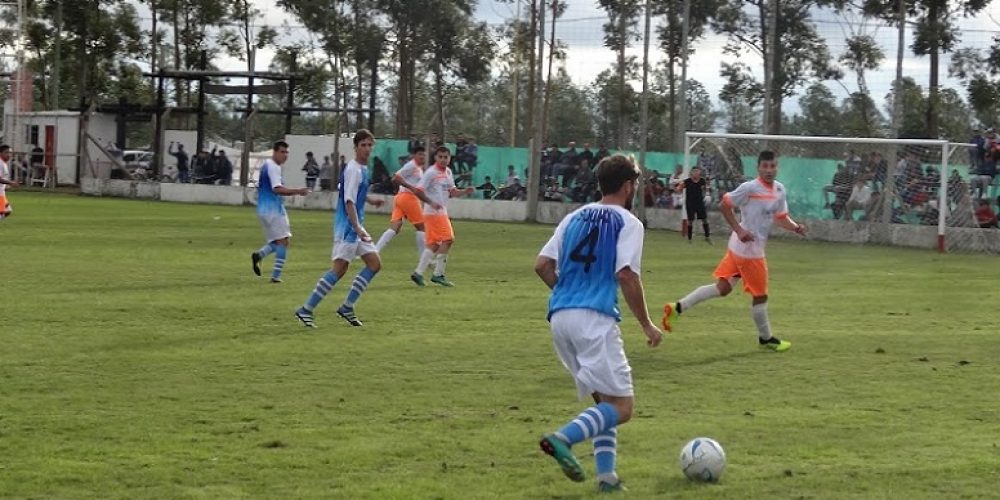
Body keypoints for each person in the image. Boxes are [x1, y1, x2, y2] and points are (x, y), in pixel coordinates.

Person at [534, 154, 663, 492]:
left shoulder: (572, 218)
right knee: (622, 407)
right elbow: (626, 274)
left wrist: (569, 292)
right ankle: (562, 438)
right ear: (628, 186)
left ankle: (606, 478)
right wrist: (647, 324)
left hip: (560, 317)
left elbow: (542, 265)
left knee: (604, 403)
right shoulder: (629, 222)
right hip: (593, 319)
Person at [662, 151, 807, 352]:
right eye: (764, 166)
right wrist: (739, 230)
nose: (768, 170)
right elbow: (724, 204)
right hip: (750, 253)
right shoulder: (749, 188)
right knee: (761, 296)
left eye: (772, 166)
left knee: (722, 288)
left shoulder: (780, 190)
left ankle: (677, 308)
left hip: (739, 249)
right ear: (758, 168)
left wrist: (795, 228)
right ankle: (766, 339)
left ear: (777, 167)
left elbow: (781, 218)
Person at [295, 130, 385, 328]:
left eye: (370, 145)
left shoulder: (361, 168)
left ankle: (347, 307)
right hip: (349, 227)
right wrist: (357, 228)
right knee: (339, 270)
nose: (368, 149)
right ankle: (306, 309)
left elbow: (350, 191)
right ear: (355, 147)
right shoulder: (354, 169)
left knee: (374, 264)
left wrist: (370, 199)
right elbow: (349, 201)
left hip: (356, 226)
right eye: (364, 145)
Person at [410, 146, 475, 287]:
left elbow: (452, 192)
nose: (443, 160)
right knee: (448, 239)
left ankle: (418, 273)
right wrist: (431, 202)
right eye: (441, 157)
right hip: (433, 213)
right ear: (435, 158)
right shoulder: (431, 173)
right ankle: (438, 274)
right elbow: (418, 190)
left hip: (440, 212)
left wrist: (465, 191)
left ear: (449, 158)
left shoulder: (448, 173)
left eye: (446, 157)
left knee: (433, 245)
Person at [250, 141, 310, 283]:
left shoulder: (266, 166)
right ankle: (275, 277)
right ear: (275, 152)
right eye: (282, 152)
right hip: (273, 209)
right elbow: (277, 189)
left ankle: (259, 255)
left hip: (263, 209)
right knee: (283, 242)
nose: (285, 155)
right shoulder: (274, 167)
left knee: (277, 241)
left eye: (286, 152)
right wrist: (298, 191)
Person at [374, 146, 439, 255]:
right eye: (420, 154)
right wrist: (411, 187)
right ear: (413, 155)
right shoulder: (412, 165)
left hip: (400, 197)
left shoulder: (418, 168)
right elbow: (395, 177)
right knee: (421, 227)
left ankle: (375, 250)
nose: (422, 156)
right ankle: (423, 258)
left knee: (396, 226)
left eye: (424, 154)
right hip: (408, 198)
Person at [681, 166, 712, 243]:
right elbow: (679, 188)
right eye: (694, 171)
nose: (696, 173)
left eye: (697, 171)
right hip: (690, 203)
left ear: (699, 172)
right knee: (690, 220)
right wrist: (678, 193)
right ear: (691, 173)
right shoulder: (687, 181)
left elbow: (707, 187)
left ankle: (707, 236)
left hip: (699, 202)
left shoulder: (702, 181)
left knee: (704, 219)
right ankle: (689, 238)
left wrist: (707, 194)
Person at [0, 145, 19, 220]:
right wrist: (10, 183)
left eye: (10, 153)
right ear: (0, 153)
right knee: (3, 212)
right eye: (6, 152)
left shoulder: (3, 163)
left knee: (7, 211)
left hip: (1, 192)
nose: (9, 155)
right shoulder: (0, 163)